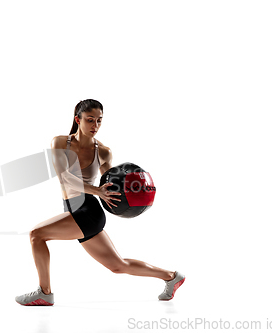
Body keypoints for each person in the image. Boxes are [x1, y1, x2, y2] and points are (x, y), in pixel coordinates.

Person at [15, 99, 185, 306]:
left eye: (99, 121)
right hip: (75, 209)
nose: (95, 126)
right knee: (118, 265)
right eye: (90, 120)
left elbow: (111, 183)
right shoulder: (60, 143)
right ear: (78, 120)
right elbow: (65, 178)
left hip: (87, 211)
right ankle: (171, 276)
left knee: (36, 235)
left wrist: (132, 196)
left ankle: (45, 292)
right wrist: (96, 190)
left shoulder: (103, 152)